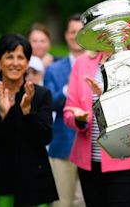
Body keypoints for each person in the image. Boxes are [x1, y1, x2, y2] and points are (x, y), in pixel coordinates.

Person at [63, 46, 130, 206]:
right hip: (91, 164)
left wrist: (104, 98)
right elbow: (69, 111)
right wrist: (79, 119)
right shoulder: (82, 63)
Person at [0, 34, 58, 206]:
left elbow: (45, 137)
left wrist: (28, 113)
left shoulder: (40, 95)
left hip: (33, 183)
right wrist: (1, 117)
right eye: (9, 56)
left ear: (27, 63)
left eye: (21, 57)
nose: (15, 62)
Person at [44, 14, 86, 207]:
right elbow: (49, 103)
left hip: (89, 145)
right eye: (72, 32)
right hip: (62, 145)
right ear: (67, 35)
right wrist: (67, 90)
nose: (76, 36)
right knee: (62, 202)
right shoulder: (54, 69)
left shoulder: (96, 65)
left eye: (80, 32)